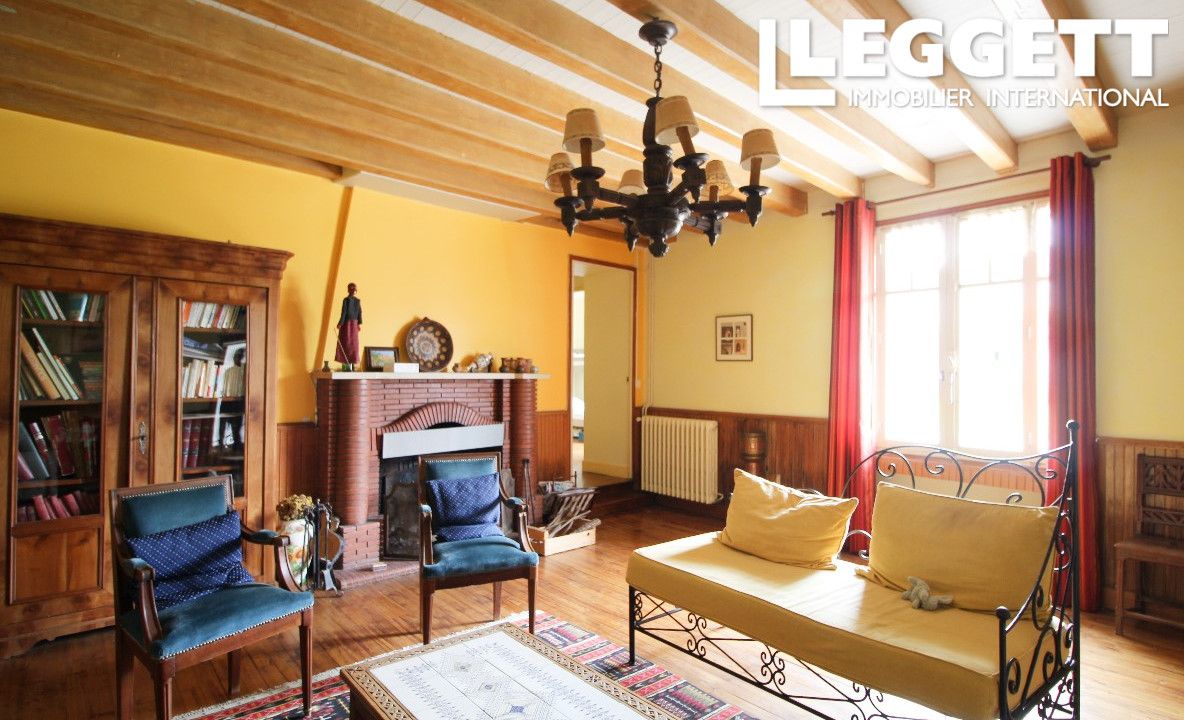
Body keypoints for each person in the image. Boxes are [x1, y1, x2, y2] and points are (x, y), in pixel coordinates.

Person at [335, 282, 362, 369]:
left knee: (347, 343)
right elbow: (359, 313)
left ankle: (348, 365)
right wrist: (358, 323)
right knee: (353, 343)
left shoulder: (347, 300)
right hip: (353, 324)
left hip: (347, 324)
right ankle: (351, 365)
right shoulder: (356, 301)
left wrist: (340, 323)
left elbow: (344, 313)